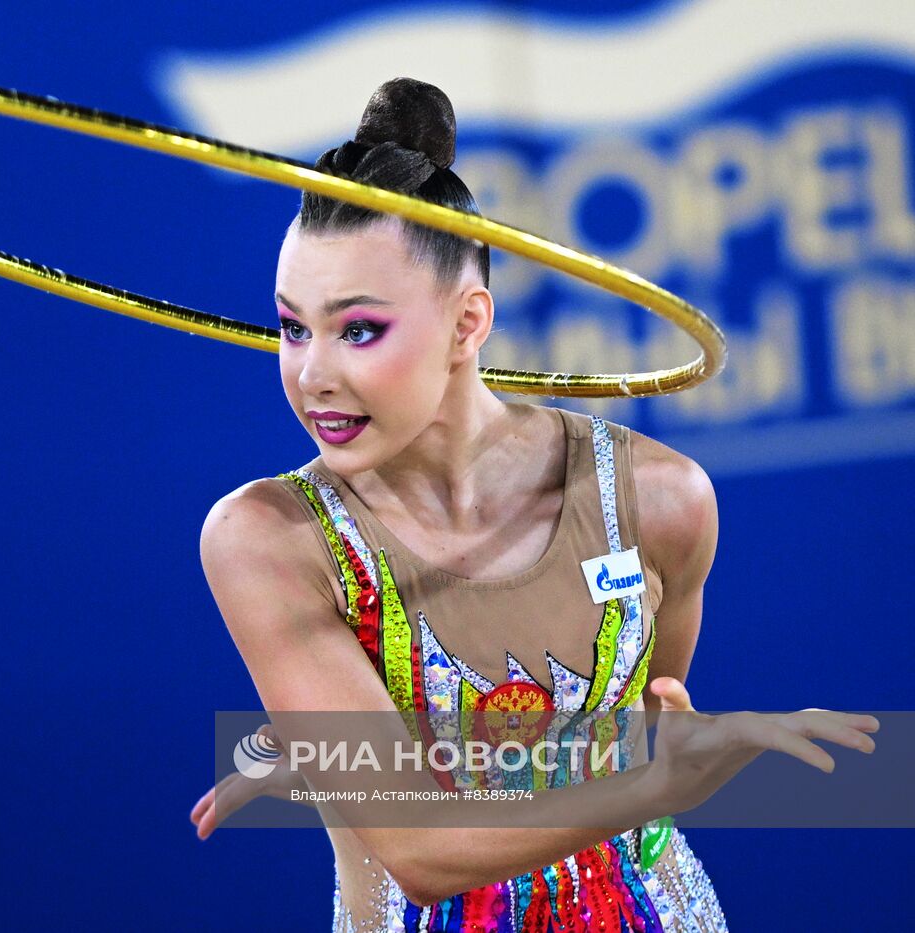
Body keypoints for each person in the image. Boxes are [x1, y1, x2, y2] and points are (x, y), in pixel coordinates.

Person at [192, 78, 878, 932]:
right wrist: (658, 782)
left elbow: (640, 729)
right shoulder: (268, 539)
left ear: (467, 323)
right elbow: (421, 852)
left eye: (358, 329)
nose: (311, 374)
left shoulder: (662, 501)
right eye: (293, 327)